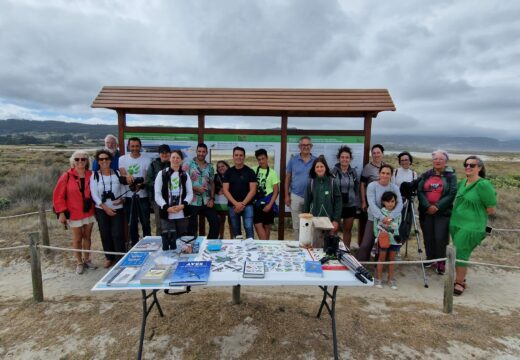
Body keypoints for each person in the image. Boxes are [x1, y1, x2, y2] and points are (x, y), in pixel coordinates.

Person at [450, 156, 496, 296]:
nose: (468, 167)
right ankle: (460, 278)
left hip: (472, 226)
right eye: (466, 164)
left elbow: (491, 208)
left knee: (461, 253)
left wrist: (474, 216)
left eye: (472, 165)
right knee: (458, 251)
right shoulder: (463, 182)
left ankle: (459, 282)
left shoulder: (483, 184)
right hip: (456, 223)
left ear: (479, 168)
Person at [52, 150, 96, 274]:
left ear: (87, 161)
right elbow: (58, 195)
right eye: (77, 159)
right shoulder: (66, 176)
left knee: (87, 237)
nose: (80, 161)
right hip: (74, 212)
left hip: (89, 211)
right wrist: (61, 212)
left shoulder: (91, 175)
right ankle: (79, 262)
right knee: (77, 238)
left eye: (83, 159)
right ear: (73, 161)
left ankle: (87, 259)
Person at [417, 150, 457, 275]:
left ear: (446, 161)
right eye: (435, 159)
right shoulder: (427, 174)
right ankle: (430, 259)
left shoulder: (451, 176)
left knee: (441, 237)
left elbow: (452, 193)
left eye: (441, 159)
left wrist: (437, 206)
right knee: (428, 236)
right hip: (426, 211)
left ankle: (441, 262)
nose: (438, 161)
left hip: (442, 212)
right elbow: (420, 190)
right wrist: (427, 205)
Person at [357, 164, 402, 261]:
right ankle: (360, 264)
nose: (385, 175)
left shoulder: (394, 187)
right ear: (379, 173)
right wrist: (382, 217)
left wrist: (390, 217)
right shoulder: (372, 186)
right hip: (373, 219)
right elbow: (371, 203)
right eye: (383, 173)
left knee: (383, 245)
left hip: (389, 221)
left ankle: (379, 267)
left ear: (391, 175)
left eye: (388, 173)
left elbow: (400, 204)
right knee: (366, 244)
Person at [90, 149, 126, 268]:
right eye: (101, 159)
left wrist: (122, 199)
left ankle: (120, 257)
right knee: (105, 233)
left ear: (110, 160)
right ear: (98, 161)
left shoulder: (117, 173)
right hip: (101, 209)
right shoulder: (95, 176)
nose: (104, 161)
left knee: (118, 233)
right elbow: (94, 194)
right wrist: (105, 208)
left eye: (106, 158)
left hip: (117, 208)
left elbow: (123, 189)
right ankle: (109, 257)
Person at [119, 137, 152, 247]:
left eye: (137, 146)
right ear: (128, 146)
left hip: (143, 195)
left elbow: (147, 177)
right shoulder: (122, 159)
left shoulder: (147, 159)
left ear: (140, 146)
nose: (135, 148)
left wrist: (140, 185)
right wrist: (127, 177)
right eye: (132, 146)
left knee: (146, 223)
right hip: (129, 196)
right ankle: (135, 245)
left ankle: (148, 244)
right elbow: (123, 175)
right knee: (132, 224)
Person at [303, 156, 342, 248]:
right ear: (314, 169)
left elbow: (338, 202)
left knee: (328, 248)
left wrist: (336, 220)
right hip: (314, 220)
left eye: (322, 166)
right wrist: (305, 221)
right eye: (317, 167)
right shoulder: (311, 183)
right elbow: (307, 202)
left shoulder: (332, 183)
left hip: (329, 221)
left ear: (325, 168)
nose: (319, 169)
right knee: (315, 246)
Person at [183, 143, 220, 239]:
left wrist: (212, 198)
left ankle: (210, 243)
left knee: (215, 222)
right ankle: (192, 246)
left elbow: (212, 183)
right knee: (192, 227)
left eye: (203, 151)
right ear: (196, 152)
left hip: (207, 200)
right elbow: (182, 182)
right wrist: (194, 188)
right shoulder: (188, 164)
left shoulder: (210, 167)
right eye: (199, 151)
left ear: (206, 152)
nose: (201, 153)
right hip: (192, 200)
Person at [154, 150, 194, 237]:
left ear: (181, 160)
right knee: (169, 240)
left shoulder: (185, 175)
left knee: (182, 239)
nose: (175, 160)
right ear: (169, 159)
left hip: (182, 214)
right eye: (173, 157)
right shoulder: (162, 174)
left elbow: (190, 193)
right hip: (167, 213)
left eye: (178, 158)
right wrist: (166, 207)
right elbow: (157, 194)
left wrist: (183, 205)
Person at [285, 136, 317, 240]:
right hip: (295, 196)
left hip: (312, 197)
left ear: (311, 146)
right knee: (297, 225)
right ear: (299, 147)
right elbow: (288, 178)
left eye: (307, 145)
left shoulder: (316, 161)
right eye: (303, 145)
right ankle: (298, 246)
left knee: (311, 224)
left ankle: (309, 246)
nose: (305, 147)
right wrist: (286, 195)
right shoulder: (293, 161)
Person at [222, 147, 257, 239]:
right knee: (236, 230)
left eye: (241, 155)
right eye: (236, 155)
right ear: (233, 157)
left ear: (244, 157)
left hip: (248, 205)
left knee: (249, 228)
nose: (238, 157)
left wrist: (242, 204)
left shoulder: (250, 172)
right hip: (233, 206)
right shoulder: (228, 172)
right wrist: (236, 204)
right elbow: (225, 190)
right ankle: (237, 251)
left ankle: (250, 249)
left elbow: (253, 190)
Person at [331, 146, 360, 248]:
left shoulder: (353, 173)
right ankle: (333, 250)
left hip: (350, 205)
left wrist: (357, 204)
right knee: (334, 229)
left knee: (347, 230)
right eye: (342, 157)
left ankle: (346, 252)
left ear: (350, 159)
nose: (344, 159)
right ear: (339, 158)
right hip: (336, 206)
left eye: (347, 157)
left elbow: (357, 189)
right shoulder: (333, 172)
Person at [373, 191, 401, 290]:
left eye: (392, 201)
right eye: (388, 201)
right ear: (383, 202)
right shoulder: (380, 212)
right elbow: (376, 226)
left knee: (392, 260)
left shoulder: (397, 213)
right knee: (381, 259)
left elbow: (397, 225)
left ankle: (391, 278)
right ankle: (378, 278)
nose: (390, 203)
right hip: (383, 239)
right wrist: (378, 237)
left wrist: (395, 233)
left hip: (394, 240)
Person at [359, 144, 385, 241]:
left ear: (382, 154)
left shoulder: (385, 166)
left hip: (383, 204)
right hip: (371, 202)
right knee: (370, 226)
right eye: (374, 153)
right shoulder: (368, 168)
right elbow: (362, 184)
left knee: (381, 228)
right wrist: (363, 202)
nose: (376, 155)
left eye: (378, 153)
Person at [253, 149, 280, 240]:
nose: (261, 161)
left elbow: (276, 190)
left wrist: (270, 205)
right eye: (259, 159)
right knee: (257, 224)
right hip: (257, 203)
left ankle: (265, 247)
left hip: (268, 202)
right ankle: (264, 244)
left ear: (267, 158)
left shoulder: (272, 173)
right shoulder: (253, 170)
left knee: (267, 226)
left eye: (263, 158)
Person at [391, 151, 418, 243]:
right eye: (402, 160)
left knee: (406, 225)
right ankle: (394, 244)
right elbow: (393, 187)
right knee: (396, 224)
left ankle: (401, 242)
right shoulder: (395, 172)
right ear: (399, 161)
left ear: (410, 161)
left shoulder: (414, 174)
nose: (404, 162)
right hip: (397, 202)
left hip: (408, 203)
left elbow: (414, 188)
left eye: (406, 160)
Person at [146, 144, 171, 235]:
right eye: (162, 153)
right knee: (160, 223)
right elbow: (148, 182)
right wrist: (161, 185)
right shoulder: (153, 165)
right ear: (159, 154)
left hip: (172, 198)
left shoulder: (173, 164)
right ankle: (161, 243)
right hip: (157, 199)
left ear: (170, 153)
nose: (164, 155)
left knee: (171, 222)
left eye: (167, 152)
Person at [214, 160, 233, 239]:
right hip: (219, 203)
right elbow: (211, 188)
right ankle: (220, 237)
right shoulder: (215, 177)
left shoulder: (232, 175)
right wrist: (218, 191)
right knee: (220, 221)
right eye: (219, 167)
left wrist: (226, 190)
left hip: (230, 202)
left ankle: (232, 239)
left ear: (227, 166)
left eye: (223, 166)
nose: (221, 168)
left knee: (231, 222)